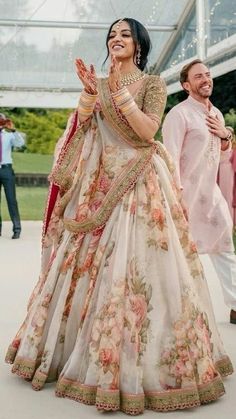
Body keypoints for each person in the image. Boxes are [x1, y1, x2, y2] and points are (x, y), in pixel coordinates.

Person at [5, 20, 233, 415]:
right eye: (111, 35)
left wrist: (115, 95)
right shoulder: (99, 83)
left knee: (138, 269)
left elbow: (146, 132)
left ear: (139, 44)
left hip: (139, 183)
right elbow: (83, 131)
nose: (116, 39)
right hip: (97, 186)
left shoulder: (152, 84)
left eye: (125, 34)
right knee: (91, 269)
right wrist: (89, 99)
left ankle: (143, 365)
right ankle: (78, 352)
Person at [162, 59, 236, 325]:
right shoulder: (179, 115)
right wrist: (176, 196)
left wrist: (226, 136)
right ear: (185, 85)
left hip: (211, 196)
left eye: (207, 74)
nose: (206, 79)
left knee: (225, 246)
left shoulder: (215, 113)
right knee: (183, 254)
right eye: (198, 77)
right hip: (186, 198)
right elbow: (169, 159)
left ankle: (235, 305)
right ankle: (180, 311)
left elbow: (224, 154)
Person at [0, 113, 25, 239]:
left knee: (11, 200)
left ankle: (17, 229)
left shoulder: (9, 136)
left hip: (6, 170)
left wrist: (13, 130)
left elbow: (20, 144)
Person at [218, 137, 236, 229]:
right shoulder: (216, 152)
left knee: (229, 200)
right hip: (218, 179)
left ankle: (230, 224)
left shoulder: (233, 152)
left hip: (229, 179)